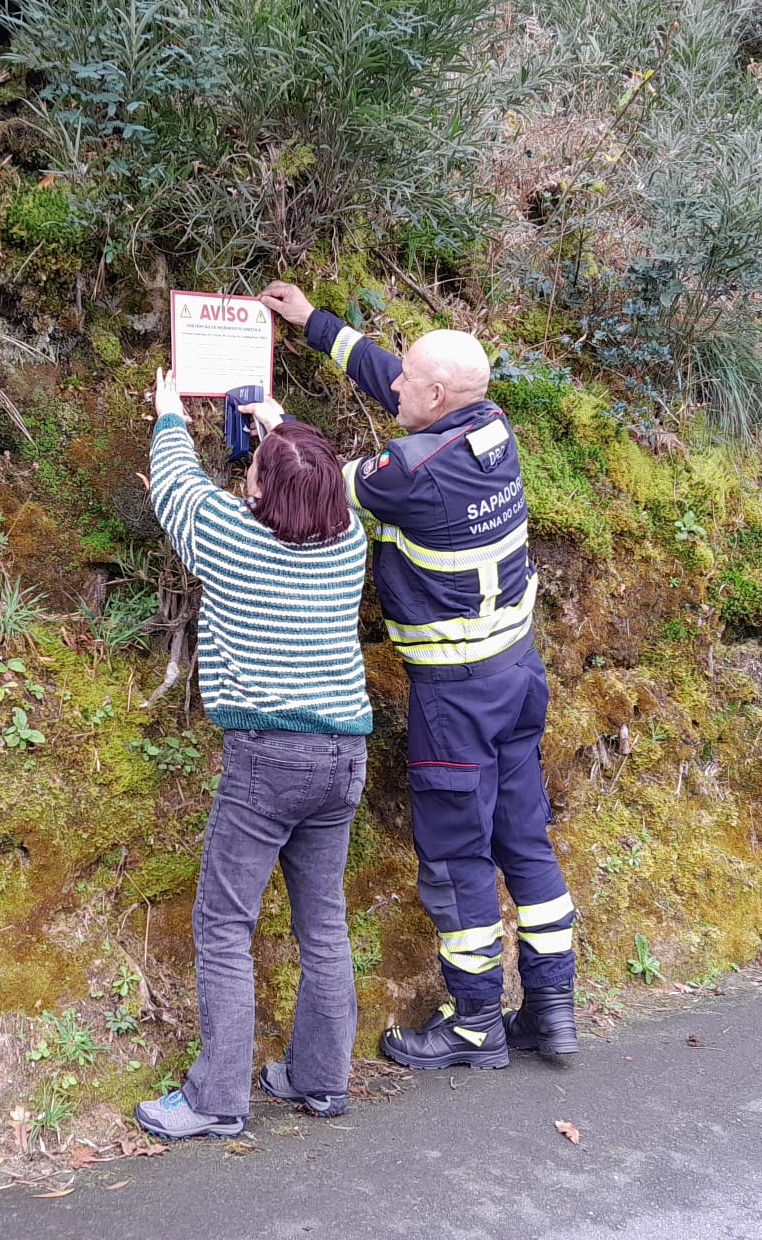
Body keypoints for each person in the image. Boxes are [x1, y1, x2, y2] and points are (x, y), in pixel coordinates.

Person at [256, 280, 579, 1071]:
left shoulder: (408, 474)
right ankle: (552, 1011)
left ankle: (475, 1027)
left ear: (437, 396)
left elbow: (314, 482)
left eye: (409, 377)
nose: (393, 381)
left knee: (457, 858)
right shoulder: (491, 428)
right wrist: (315, 325)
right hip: (517, 675)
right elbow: (400, 387)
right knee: (524, 840)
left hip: (457, 697)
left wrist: (276, 430)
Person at [132, 368, 373, 1140]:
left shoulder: (231, 539)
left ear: (258, 490)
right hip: (344, 756)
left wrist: (170, 415)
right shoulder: (349, 541)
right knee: (323, 925)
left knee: (224, 925)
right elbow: (314, 479)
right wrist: (281, 426)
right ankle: (320, 1080)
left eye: (256, 474)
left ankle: (217, 1099)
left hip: (268, 758)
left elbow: (176, 488)